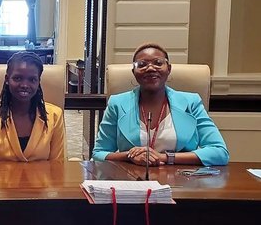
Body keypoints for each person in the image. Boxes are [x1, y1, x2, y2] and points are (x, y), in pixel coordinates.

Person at [92, 43, 229, 166]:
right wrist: (130, 156)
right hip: (133, 182)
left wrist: (165, 157)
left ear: (168, 69)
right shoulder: (117, 103)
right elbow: (99, 154)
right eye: (142, 64)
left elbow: (220, 152)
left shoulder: (191, 102)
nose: (150, 68)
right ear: (133, 72)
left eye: (158, 63)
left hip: (182, 182)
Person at [0, 51, 65, 162]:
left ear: (38, 82)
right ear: (7, 79)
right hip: (1, 179)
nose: (24, 85)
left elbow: (57, 167)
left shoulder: (55, 116)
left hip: (42, 179)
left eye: (32, 80)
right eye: (18, 78)